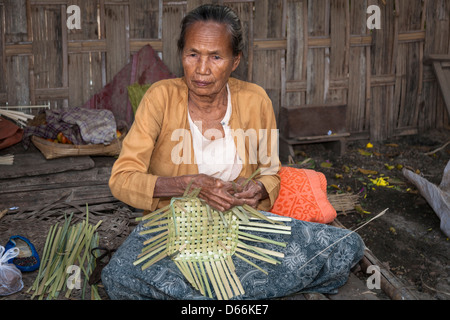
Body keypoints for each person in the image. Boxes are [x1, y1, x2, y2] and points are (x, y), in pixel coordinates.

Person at [101, 4, 365, 300]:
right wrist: (188, 185)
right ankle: (231, 292)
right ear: (181, 55)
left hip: (243, 228)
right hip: (175, 233)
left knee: (345, 245)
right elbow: (122, 179)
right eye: (193, 55)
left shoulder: (255, 100)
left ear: (235, 60)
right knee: (119, 276)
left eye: (215, 56)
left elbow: (270, 170)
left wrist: (259, 188)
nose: (202, 69)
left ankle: (208, 294)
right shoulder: (160, 98)